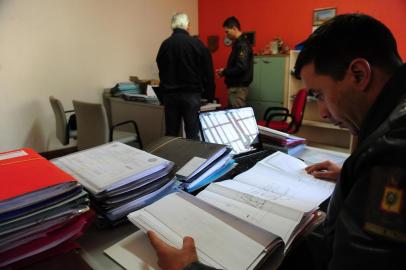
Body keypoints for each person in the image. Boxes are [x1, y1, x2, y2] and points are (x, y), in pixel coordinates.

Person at [147, 13, 406, 270]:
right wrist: (354, 176)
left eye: (320, 95)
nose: (325, 113)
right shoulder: (389, 129)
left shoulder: (391, 153)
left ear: (359, 74)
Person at [156, 12, 215, 140]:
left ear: (173, 26)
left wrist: (162, 95)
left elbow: (161, 69)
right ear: (187, 25)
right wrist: (209, 96)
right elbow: (208, 72)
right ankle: (193, 158)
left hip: (170, 96)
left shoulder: (165, 45)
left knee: (171, 134)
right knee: (192, 133)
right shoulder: (197, 44)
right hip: (191, 96)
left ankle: (171, 158)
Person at [216, 16, 253, 108]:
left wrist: (225, 72)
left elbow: (241, 67)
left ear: (234, 28)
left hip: (238, 88)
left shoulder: (242, 44)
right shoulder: (238, 44)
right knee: (233, 115)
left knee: (236, 116)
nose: (226, 35)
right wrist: (225, 71)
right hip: (236, 87)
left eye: (227, 31)